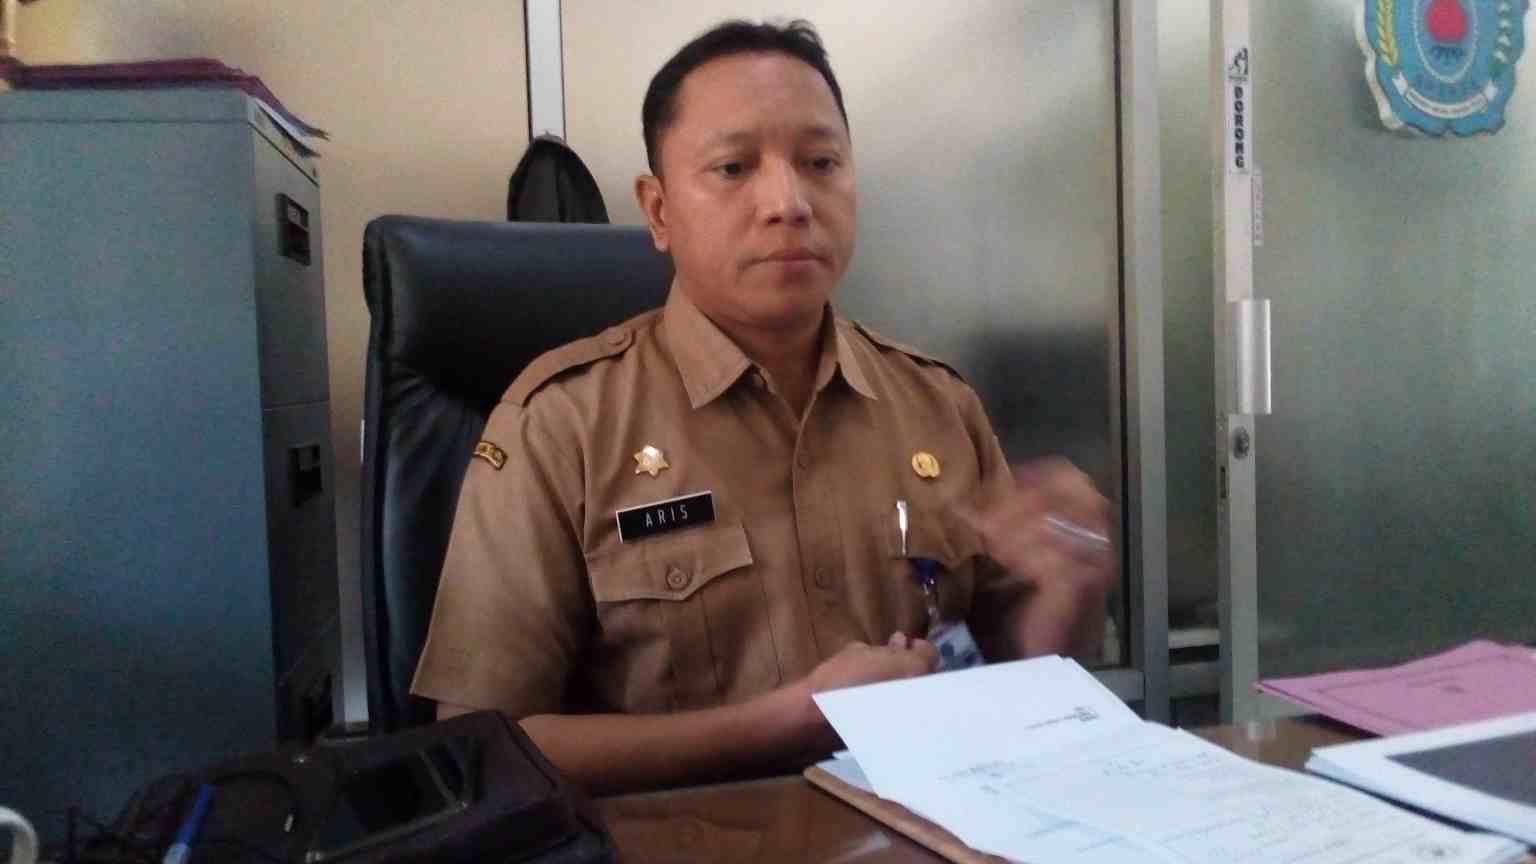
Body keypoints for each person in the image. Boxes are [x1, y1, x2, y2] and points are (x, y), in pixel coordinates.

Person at [411, 19, 1113, 794]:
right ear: (658, 211)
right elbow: (485, 749)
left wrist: (1068, 596)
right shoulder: (562, 423)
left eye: (820, 163)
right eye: (733, 167)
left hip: (926, 830)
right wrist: (789, 721)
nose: (788, 202)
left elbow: (1013, 675)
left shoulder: (938, 404)